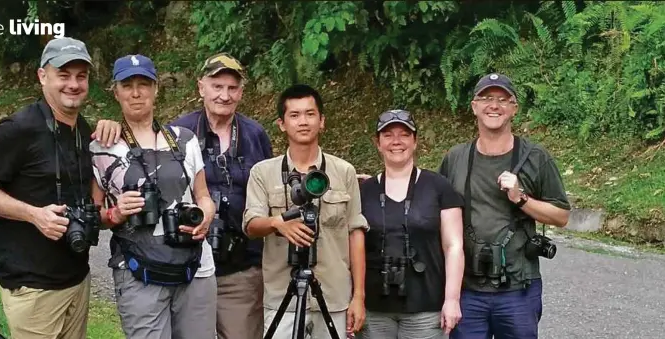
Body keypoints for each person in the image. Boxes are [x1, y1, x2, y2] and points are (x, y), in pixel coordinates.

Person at [0, 37, 121, 339]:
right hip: (33, 286)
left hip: (77, 279)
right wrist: (33, 214)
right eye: (63, 75)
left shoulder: (84, 130)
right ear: (42, 76)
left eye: (81, 76)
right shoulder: (19, 128)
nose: (73, 84)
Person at [89, 54, 217, 339]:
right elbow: (92, 215)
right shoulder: (101, 147)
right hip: (138, 270)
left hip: (195, 267)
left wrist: (206, 217)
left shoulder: (185, 139)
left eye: (144, 84)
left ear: (156, 88)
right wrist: (116, 213)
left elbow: (204, 196)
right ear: (116, 91)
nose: (136, 93)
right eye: (128, 85)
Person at [438, 73, 571, 339]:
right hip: (467, 290)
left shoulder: (536, 158)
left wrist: (521, 198)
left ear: (514, 109)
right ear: (474, 106)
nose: (494, 105)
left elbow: (562, 216)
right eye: (486, 98)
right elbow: (433, 206)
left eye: (502, 99)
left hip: (518, 288)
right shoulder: (456, 158)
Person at [243, 84, 368, 339]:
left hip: (333, 296)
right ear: (281, 123)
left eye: (310, 114)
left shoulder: (343, 171)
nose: (303, 122)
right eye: (295, 115)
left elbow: (355, 233)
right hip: (282, 298)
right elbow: (251, 225)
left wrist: (358, 297)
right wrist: (278, 223)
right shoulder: (263, 172)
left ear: (322, 121)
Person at [171, 52, 272, 339]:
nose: (224, 95)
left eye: (232, 88)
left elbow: (274, 186)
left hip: (241, 268)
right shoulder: (178, 133)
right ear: (201, 86)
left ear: (241, 92)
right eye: (217, 86)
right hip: (189, 262)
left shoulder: (255, 135)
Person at [358, 110, 464, 339]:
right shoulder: (363, 191)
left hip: (425, 306)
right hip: (375, 309)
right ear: (378, 143)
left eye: (404, 134)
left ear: (415, 141)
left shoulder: (439, 187)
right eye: (388, 135)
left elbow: (453, 246)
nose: (396, 141)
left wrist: (452, 299)